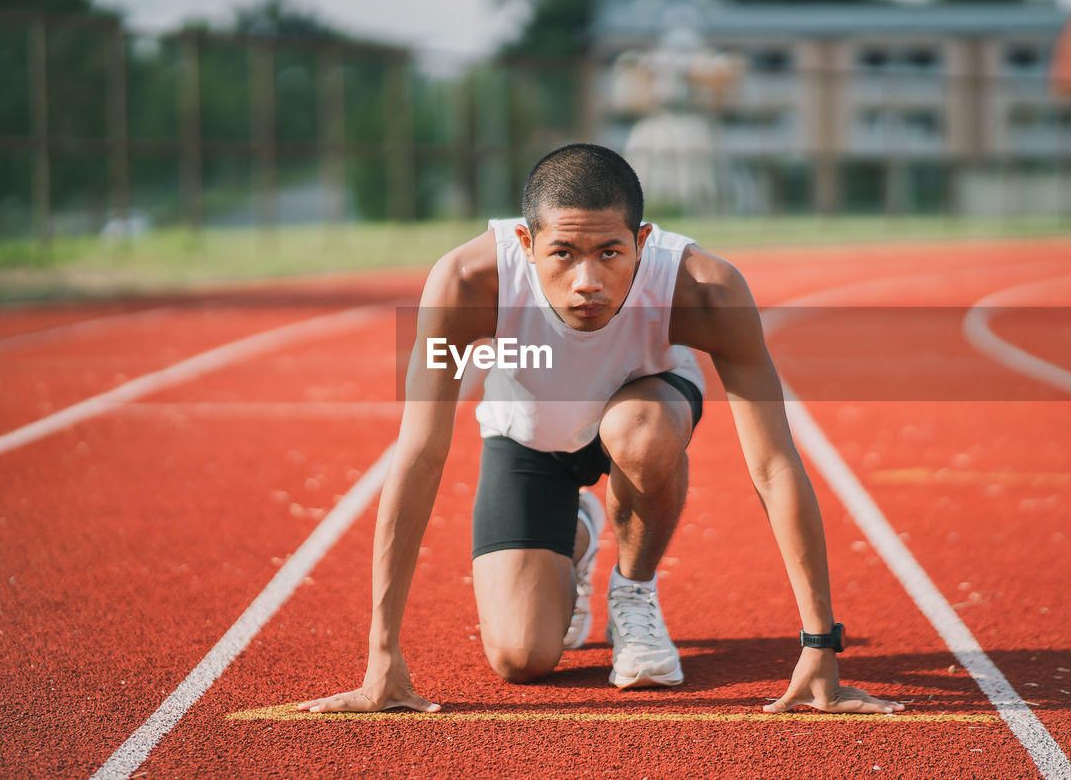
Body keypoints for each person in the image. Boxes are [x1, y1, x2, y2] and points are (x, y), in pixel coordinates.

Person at [298, 143, 903, 715]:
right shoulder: (464, 285)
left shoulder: (704, 291)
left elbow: (774, 464)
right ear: (525, 243)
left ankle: (633, 591)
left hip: (643, 414)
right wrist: (381, 655)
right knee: (521, 658)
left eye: (609, 253)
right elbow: (419, 454)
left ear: (641, 241)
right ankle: (582, 534)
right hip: (529, 436)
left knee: (640, 435)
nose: (587, 280)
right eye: (563, 253)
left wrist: (820, 645)